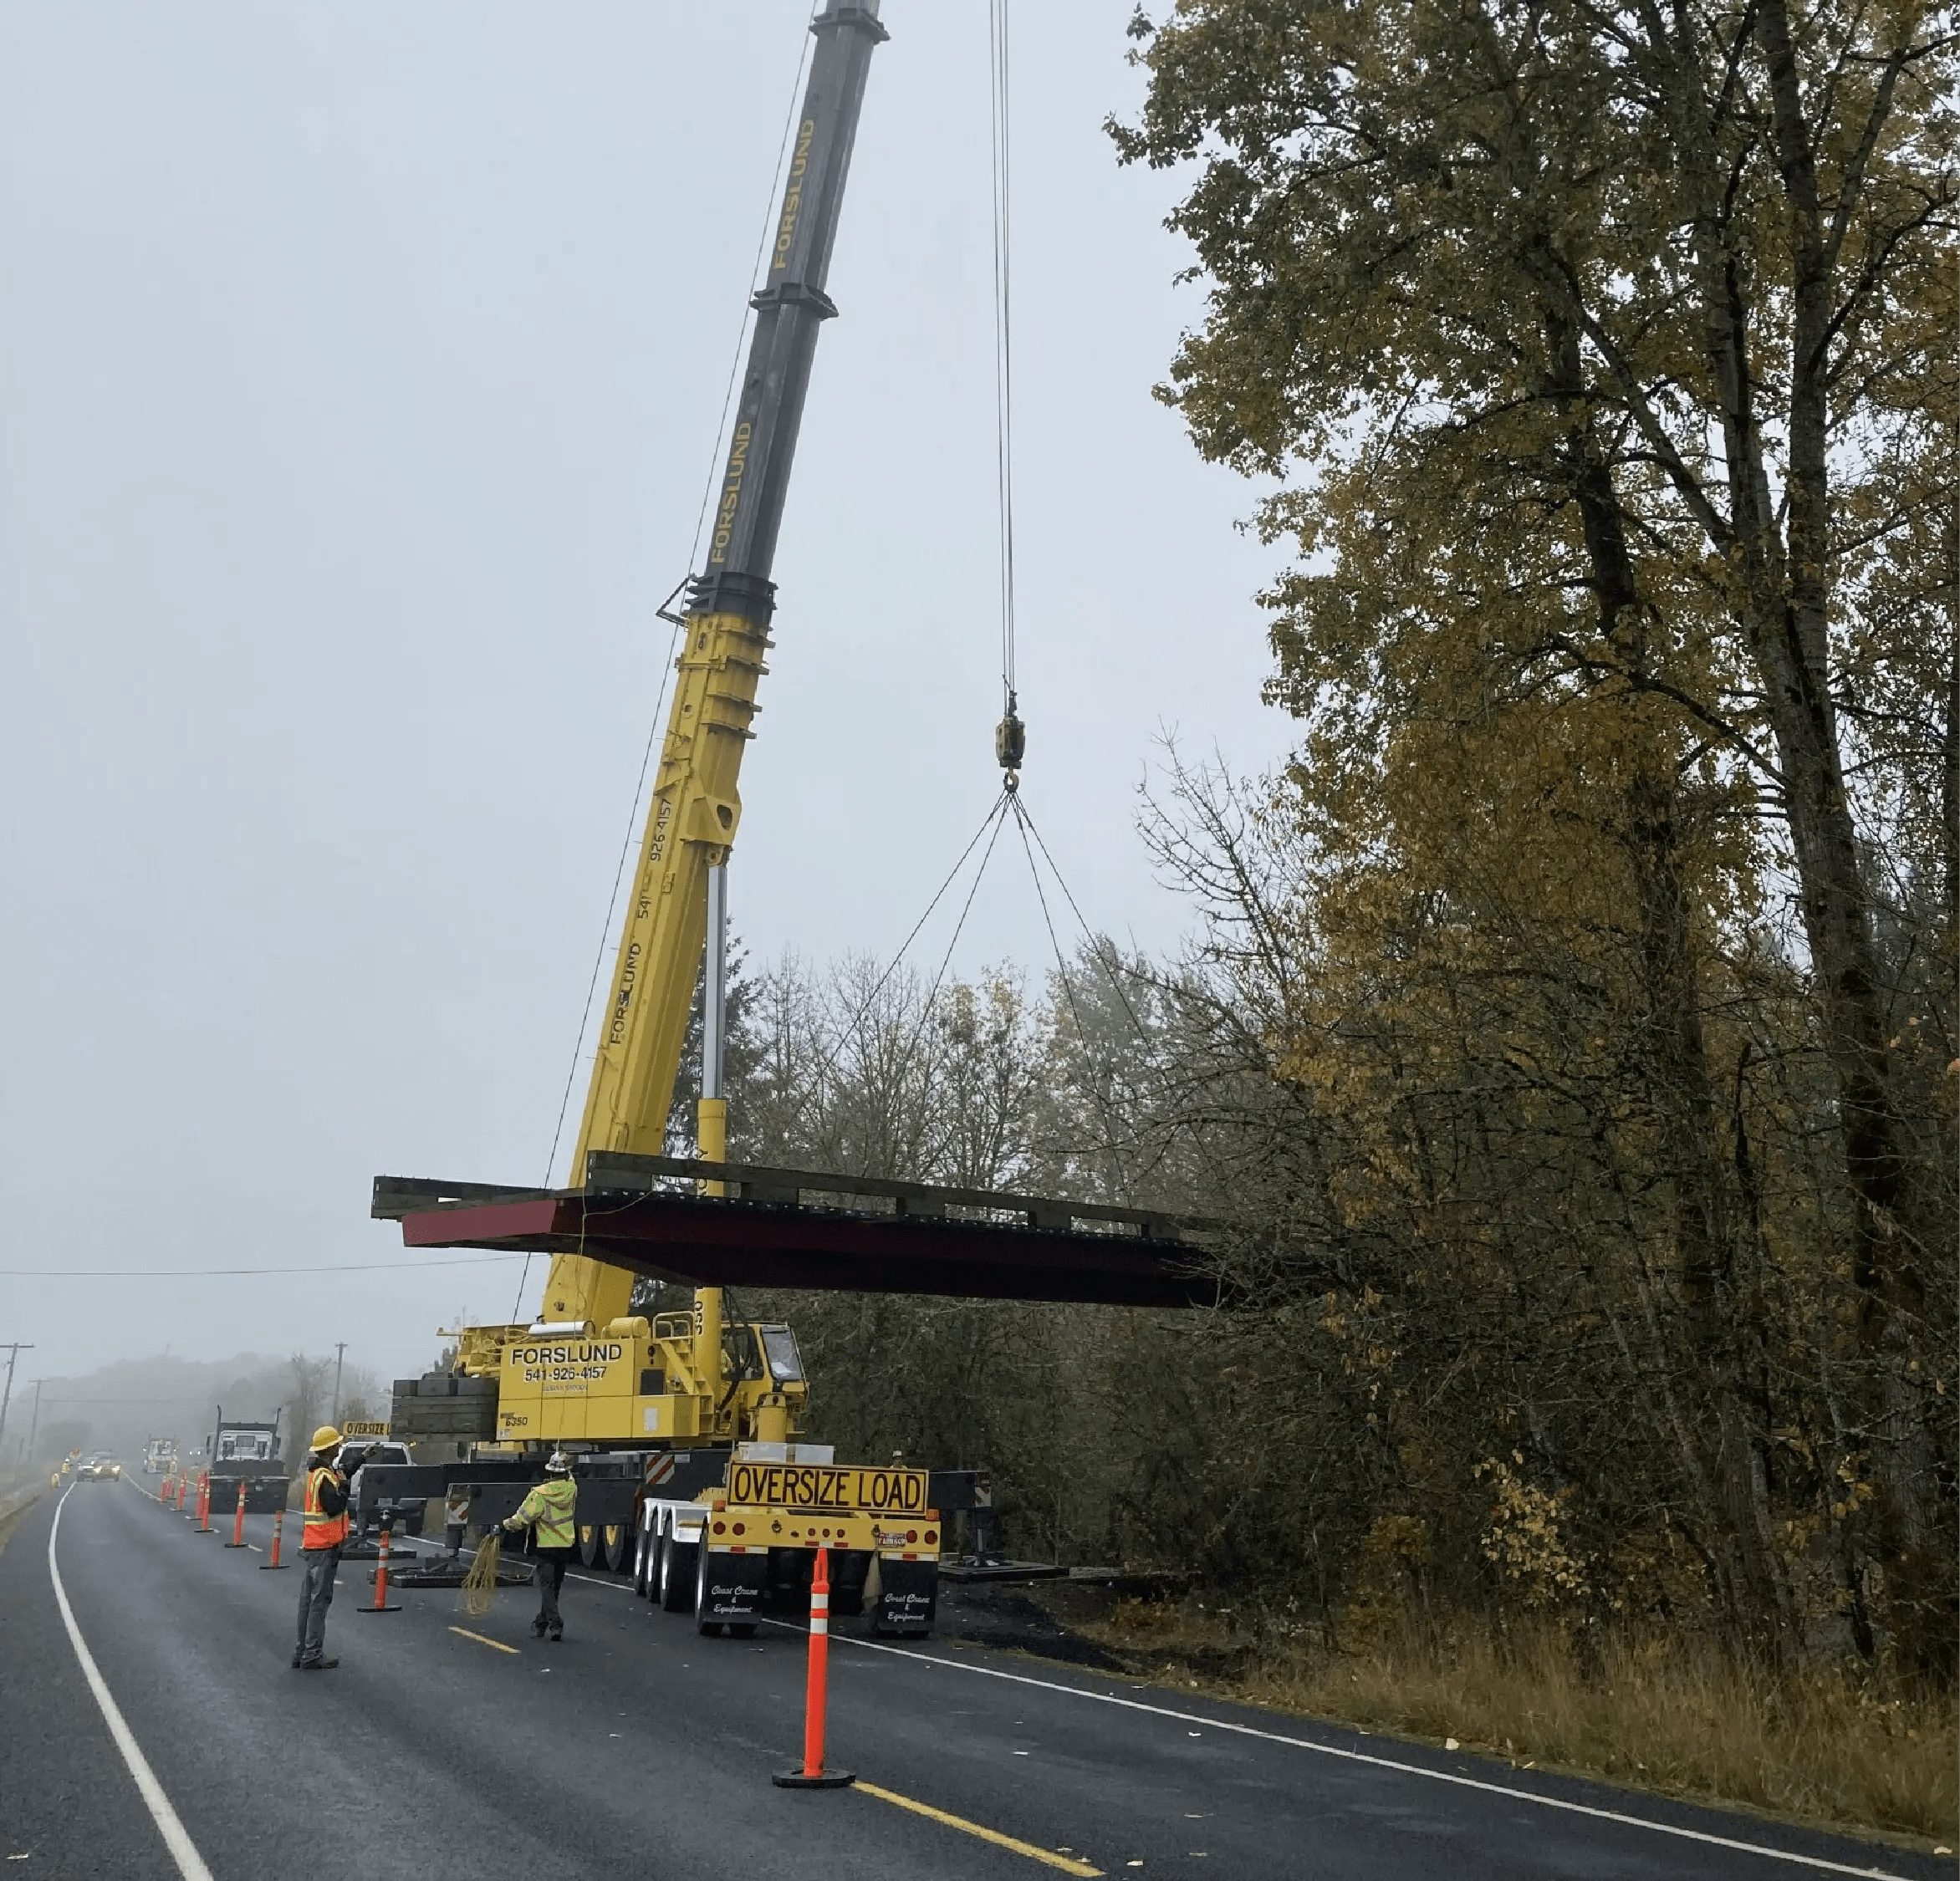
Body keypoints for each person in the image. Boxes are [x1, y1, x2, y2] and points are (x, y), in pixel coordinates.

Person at [502, 1451, 577, 1640]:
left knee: (546, 1586)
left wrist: (505, 1525)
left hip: (546, 1547)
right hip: (566, 1545)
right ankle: (541, 1623)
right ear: (567, 1472)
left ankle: (555, 1623)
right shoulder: (572, 1489)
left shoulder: (539, 1494)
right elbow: (570, 1478)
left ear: (550, 1473)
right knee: (554, 1588)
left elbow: (522, 1519)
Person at [293, 1425, 350, 1670]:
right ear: (330, 1449)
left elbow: (345, 1471)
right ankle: (312, 1653)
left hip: (313, 1545)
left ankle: (302, 1651)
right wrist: (346, 1489)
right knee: (318, 1602)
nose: (339, 1447)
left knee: (307, 1602)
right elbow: (334, 1506)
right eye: (337, 1444)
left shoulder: (317, 1472)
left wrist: (362, 1458)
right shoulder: (325, 1477)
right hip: (324, 1547)